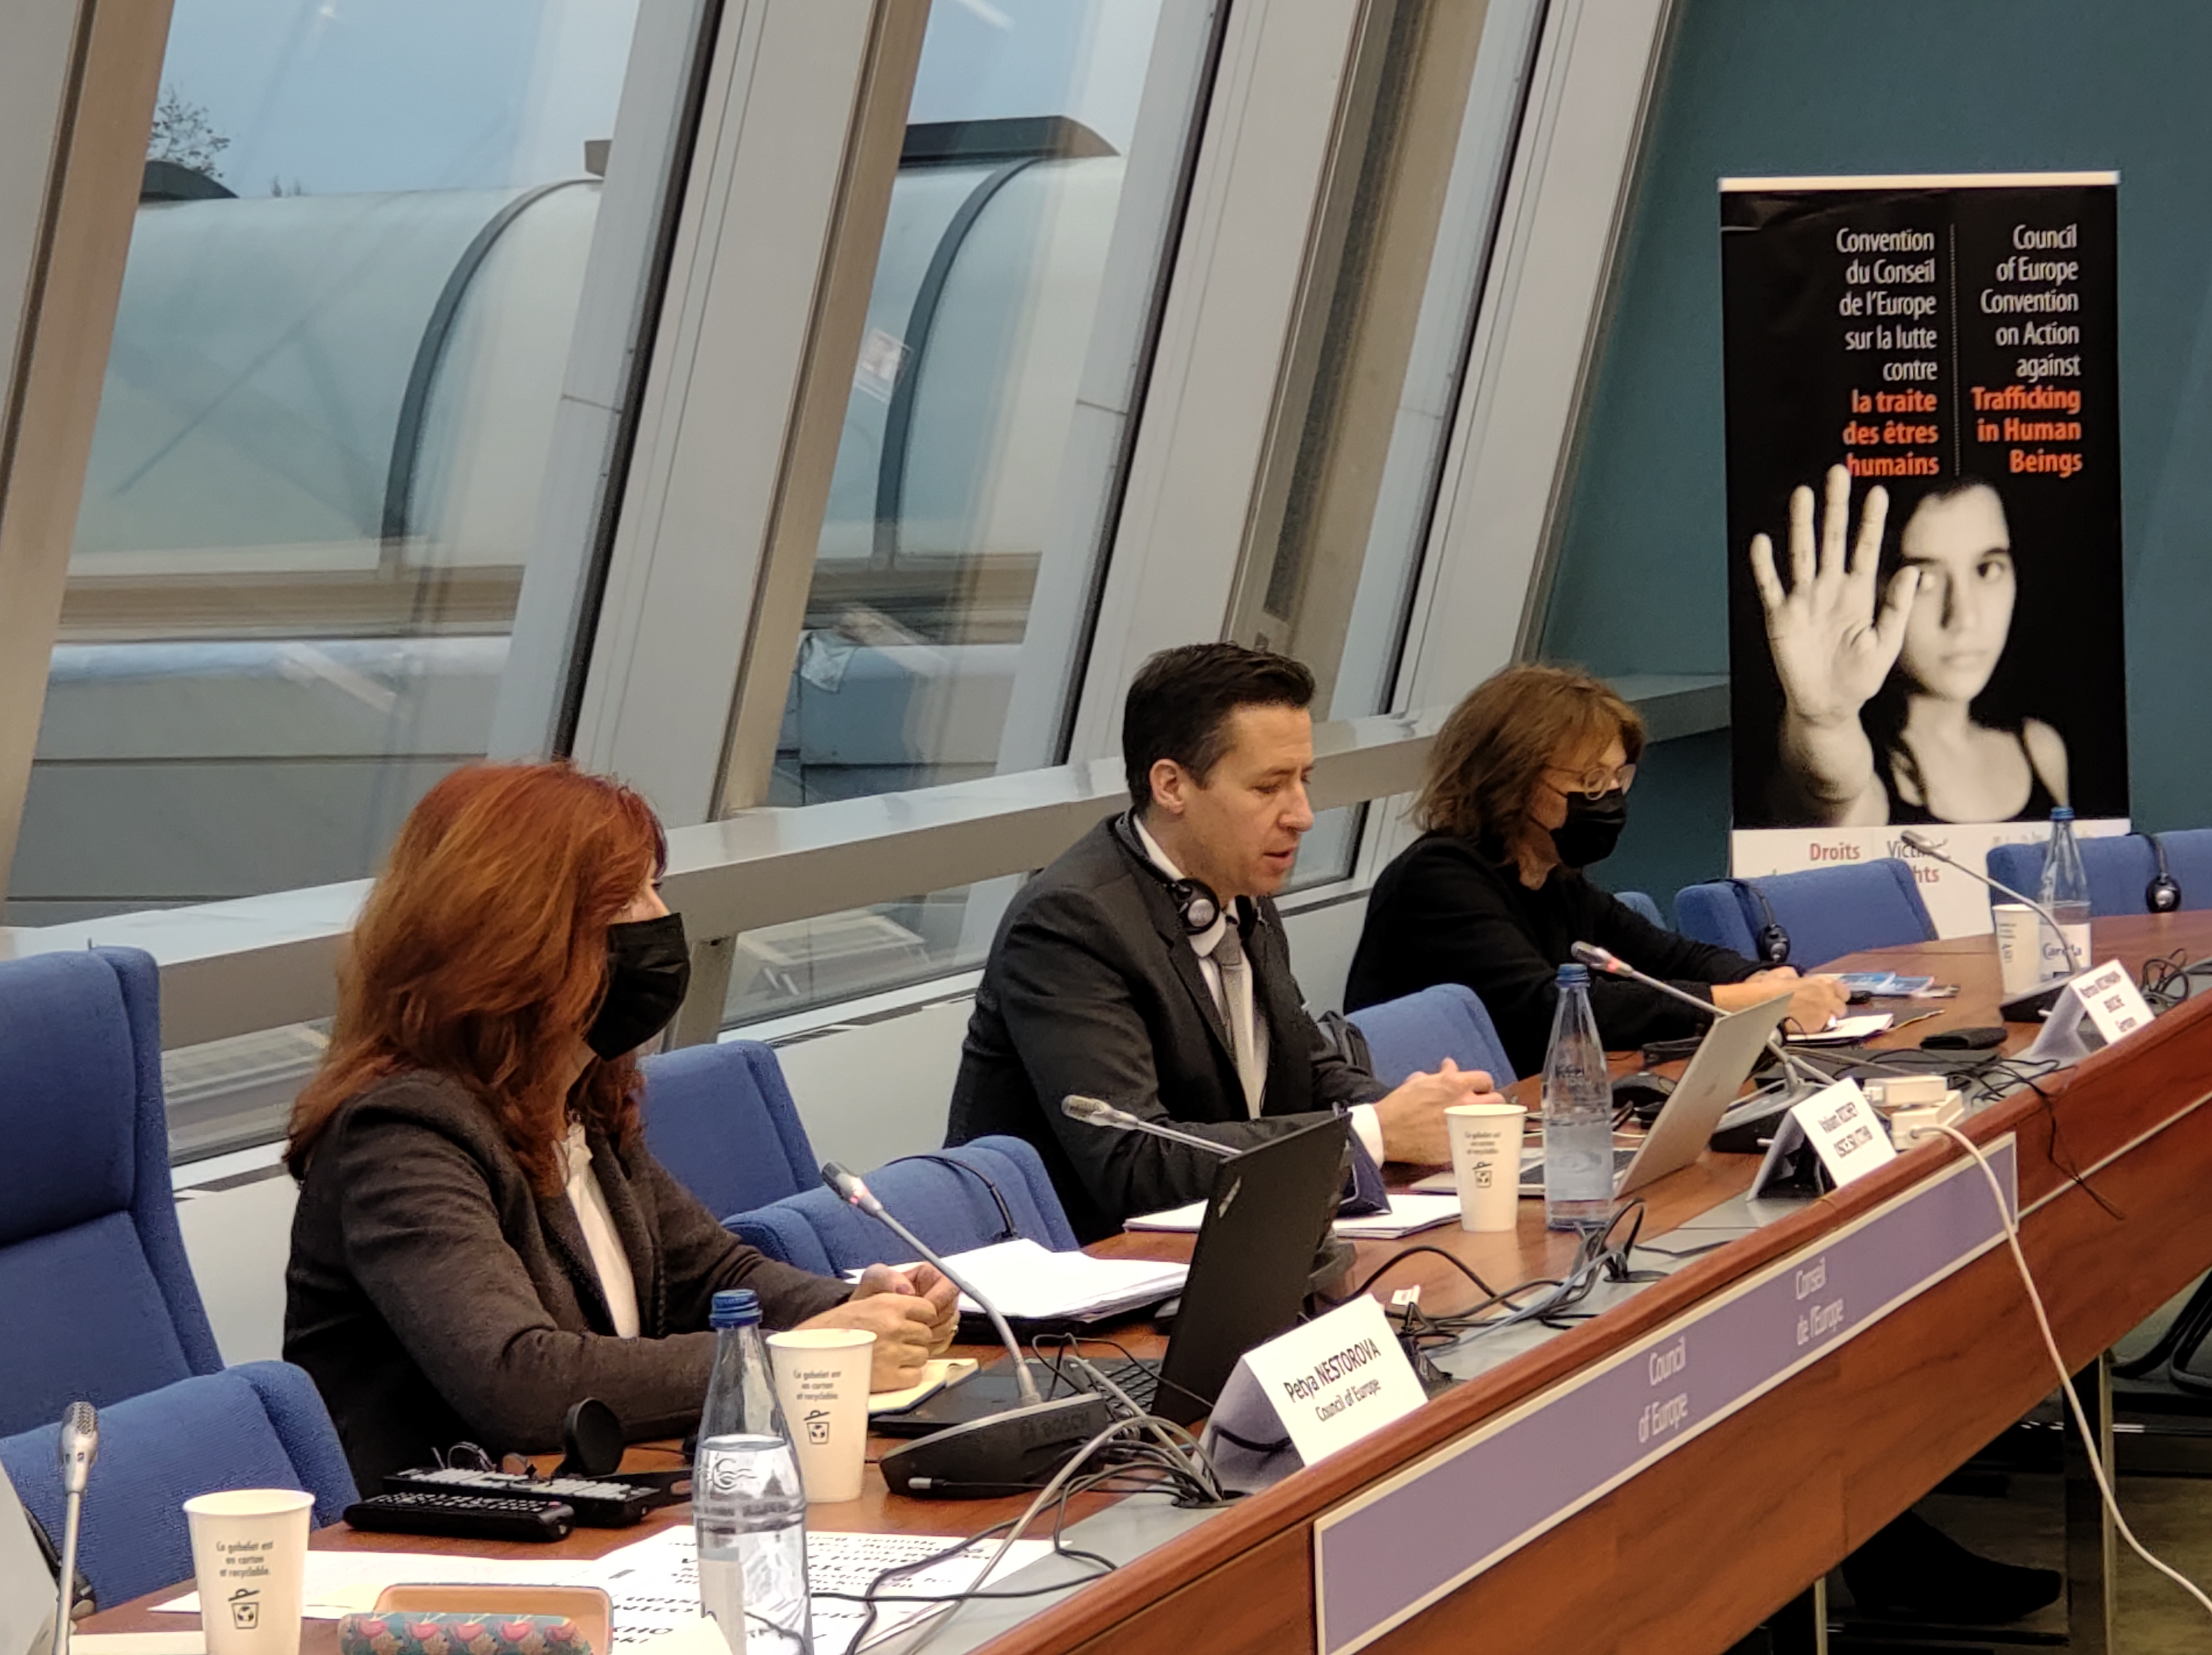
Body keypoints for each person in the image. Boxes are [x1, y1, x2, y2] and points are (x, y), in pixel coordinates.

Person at [284, 762, 959, 1489]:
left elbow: (713, 1277)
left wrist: (862, 1311)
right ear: (522, 931)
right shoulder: (400, 1135)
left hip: (587, 1501)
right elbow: (518, 1381)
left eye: (654, 888)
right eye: (628, 897)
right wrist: (800, 1355)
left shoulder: (578, 1103)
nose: (660, 919)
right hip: (446, 1537)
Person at [946, 643, 1496, 1242]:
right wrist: (1372, 1131)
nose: (1302, 815)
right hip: (1089, 1267)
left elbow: (1303, 1067)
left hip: (1231, 1239)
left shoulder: (1236, 889)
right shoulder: (1068, 924)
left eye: (1303, 780)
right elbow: (1134, 1160)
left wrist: (1423, 1112)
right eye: (1268, 787)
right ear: (1171, 786)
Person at [1345, 664, 1847, 1076]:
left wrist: (1763, 978)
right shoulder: (1439, 879)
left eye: (1617, 777)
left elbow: (1670, 956)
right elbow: (1550, 1009)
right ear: (1510, 780)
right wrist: (1752, 1001)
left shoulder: (1553, 878)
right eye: (1589, 781)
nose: (1607, 797)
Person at [1749, 465, 2068, 826]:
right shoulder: (1871, 785)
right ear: (1874, 587)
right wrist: (1826, 725)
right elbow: (1828, 791)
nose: (1963, 617)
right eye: (1923, 578)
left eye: (1988, 569)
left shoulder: (2041, 750)